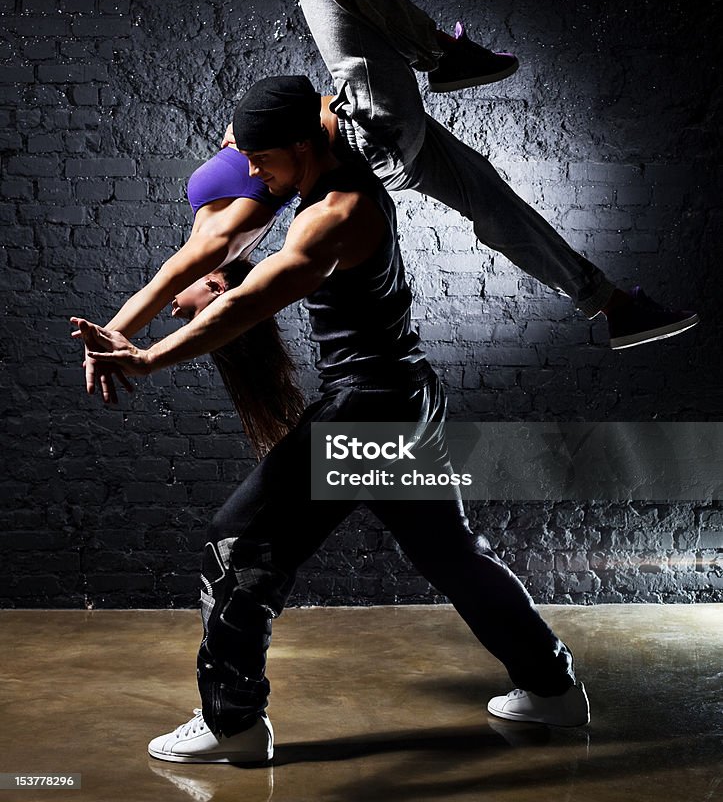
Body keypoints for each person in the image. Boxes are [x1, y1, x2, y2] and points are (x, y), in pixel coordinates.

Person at [72, 75, 590, 765]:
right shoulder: (325, 140)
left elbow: (241, 306)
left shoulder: (335, 214)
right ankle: (550, 688)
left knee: (239, 538)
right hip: (406, 397)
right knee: (448, 552)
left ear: (299, 145)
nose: (253, 173)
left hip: (369, 406)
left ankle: (232, 723)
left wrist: (145, 359)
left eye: (262, 160)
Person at [91, 0, 697, 371]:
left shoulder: (229, 205)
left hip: (371, 143)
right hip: (373, 131)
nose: (180, 306)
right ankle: (441, 56)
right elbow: (190, 280)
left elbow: (175, 277)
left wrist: (118, 330)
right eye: (192, 309)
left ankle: (615, 307)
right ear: (220, 283)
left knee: (492, 203)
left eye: (257, 158)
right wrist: (131, 344)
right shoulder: (239, 231)